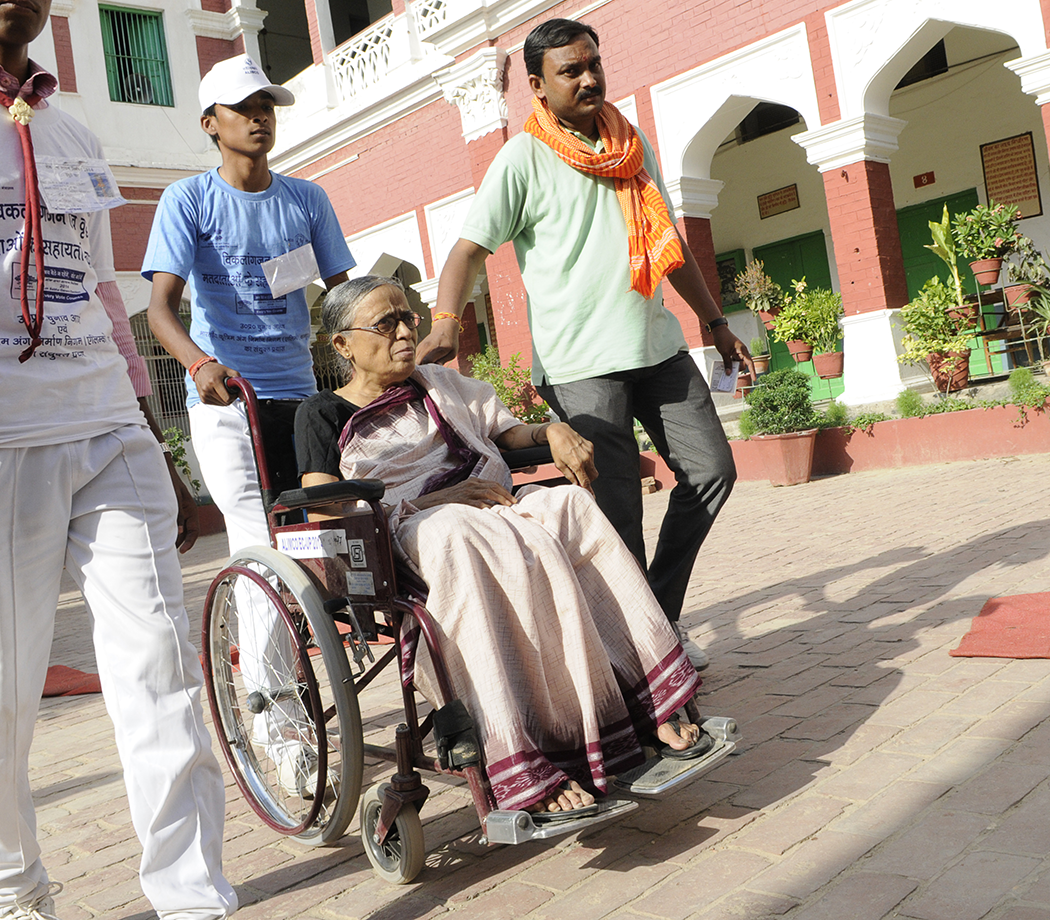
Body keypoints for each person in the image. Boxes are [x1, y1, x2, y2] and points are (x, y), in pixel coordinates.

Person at [295, 276, 713, 816]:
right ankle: (517, 752)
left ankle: (644, 700)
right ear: (343, 345)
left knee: (570, 508)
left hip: (489, 506)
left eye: (408, 319)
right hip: (404, 526)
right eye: (385, 324)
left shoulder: (441, 386)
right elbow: (325, 504)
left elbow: (505, 433)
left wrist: (551, 432)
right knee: (459, 533)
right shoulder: (321, 414)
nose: (404, 331)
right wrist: (433, 499)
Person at [419, 19, 753, 671]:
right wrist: (445, 320)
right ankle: (644, 653)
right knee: (619, 515)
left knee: (712, 471)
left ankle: (655, 615)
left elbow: (671, 246)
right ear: (539, 89)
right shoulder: (523, 158)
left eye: (593, 63)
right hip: (580, 368)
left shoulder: (631, 144)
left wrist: (713, 322)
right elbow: (467, 250)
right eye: (570, 70)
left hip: (658, 349)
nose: (589, 77)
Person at [0, 2, 236, 918]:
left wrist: (159, 446)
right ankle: (18, 890)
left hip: (109, 424)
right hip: (8, 439)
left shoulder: (72, 129)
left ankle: (193, 899)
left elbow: (104, 289)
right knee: (8, 697)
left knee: (160, 670)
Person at [142, 54, 356, 792]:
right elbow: (159, 310)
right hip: (228, 405)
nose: (259, 117)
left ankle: (336, 667)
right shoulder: (189, 201)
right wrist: (201, 367)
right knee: (262, 547)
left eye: (267, 104)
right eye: (244, 108)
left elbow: (343, 297)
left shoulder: (307, 200)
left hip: (301, 401)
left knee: (329, 538)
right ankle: (278, 727)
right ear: (212, 124)